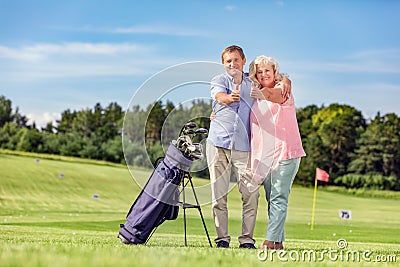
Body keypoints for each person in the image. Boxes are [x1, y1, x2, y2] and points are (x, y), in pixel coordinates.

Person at [206, 46, 291, 249]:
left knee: (251, 194)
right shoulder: (219, 81)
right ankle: (222, 240)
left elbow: (274, 77)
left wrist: (287, 80)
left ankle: (246, 240)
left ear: (244, 61)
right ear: (223, 64)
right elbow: (219, 96)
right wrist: (228, 98)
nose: (232, 64)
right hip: (217, 144)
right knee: (218, 196)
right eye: (228, 61)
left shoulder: (253, 82)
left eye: (236, 60)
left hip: (245, 148)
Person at [248, 55, 306, 250]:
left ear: (275, 72)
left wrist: (263, 89)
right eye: (259, 71)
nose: (263, 74)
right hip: (267, 156)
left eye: (267, 70)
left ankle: (269, 241)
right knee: (272, 200)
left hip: (286, 152)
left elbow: (274, 96)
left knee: (279, 197)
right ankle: (278, 242)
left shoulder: (284, 90)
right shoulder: (255, 96)